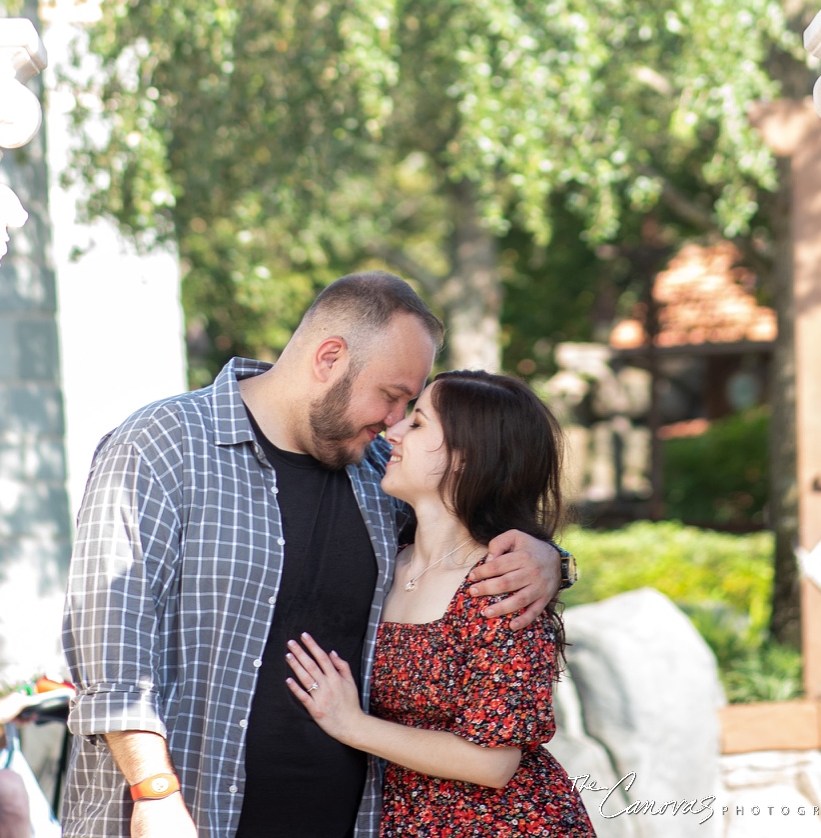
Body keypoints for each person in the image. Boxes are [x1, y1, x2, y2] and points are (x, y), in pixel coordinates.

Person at [60, 273, 567, 838]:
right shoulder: (161, 445)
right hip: (185, 814)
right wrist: (155, 794)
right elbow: (110, 647)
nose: (395, 422)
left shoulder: (379, 474)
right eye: (393, 396)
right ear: (330, 358)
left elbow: (466, 530)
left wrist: (551, 559)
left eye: (411, 409)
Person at [285, 370, 590, 836]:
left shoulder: (500, 585)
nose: (394, 432)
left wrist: (351, 724)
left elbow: (493, 763)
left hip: (501, 825)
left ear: (466, 459)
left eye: (420, 423)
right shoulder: (382, 557)